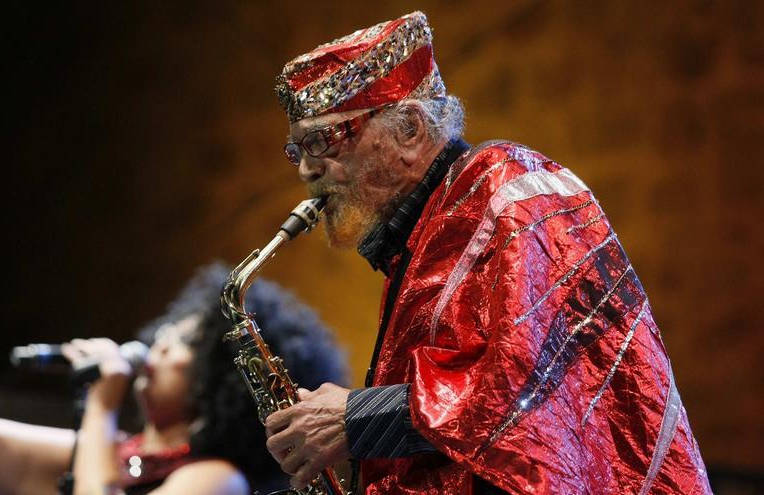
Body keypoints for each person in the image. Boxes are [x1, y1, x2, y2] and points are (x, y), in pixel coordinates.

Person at [263, 11, 713, 495]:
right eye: (297, 151)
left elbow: (524, 387)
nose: (307, 170)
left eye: (321, 141)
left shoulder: (514, 190)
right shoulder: (421, 235)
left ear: (409, 128)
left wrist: (357, 417)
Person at [0, 183, 347, 495]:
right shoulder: (109, 452)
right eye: (170, 329)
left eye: (187, 343)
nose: (161, 342)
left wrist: (100, 407)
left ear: (222, 383)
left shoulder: (215, 479)